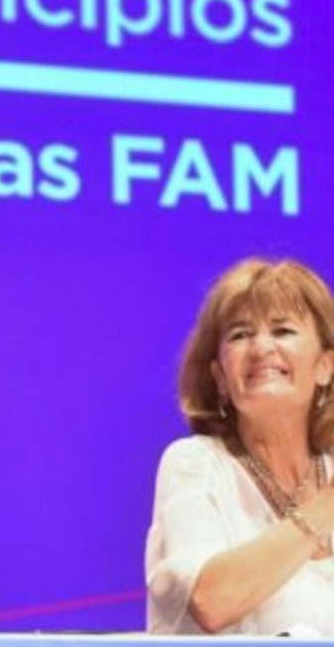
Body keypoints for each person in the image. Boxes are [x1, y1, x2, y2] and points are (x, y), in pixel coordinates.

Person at [146, 258, 334, 636]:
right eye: (240, 335)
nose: (261, 347)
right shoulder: (195, 465)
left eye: (282, 330)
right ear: (220, 377)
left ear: (325, 367)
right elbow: (213, 601)